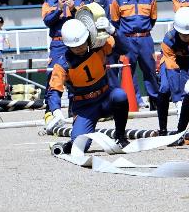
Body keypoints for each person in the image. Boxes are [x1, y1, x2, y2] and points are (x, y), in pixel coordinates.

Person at [46, 18, 129, 150]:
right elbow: (54, 89)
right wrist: (56, 110)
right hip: (84, 107)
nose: (79, 48)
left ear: (87, 38)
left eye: (82, 44)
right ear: (67, 45)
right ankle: (71, 142)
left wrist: (113, 31)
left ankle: (120, 136)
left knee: (120, 95)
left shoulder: (99, 46)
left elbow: (125, 48)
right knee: (79, 147)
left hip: (106, 97)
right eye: (75, 46)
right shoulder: (62, 64)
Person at [109, 0, 160, 110]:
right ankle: (133, 101)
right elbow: (115, 22)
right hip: (126, 40)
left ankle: (154, 101)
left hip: (145, 39)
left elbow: (153, 20)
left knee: (149, 70)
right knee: (127, 71)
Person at [41, 0, 80, 131]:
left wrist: (73, 8)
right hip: (57, 44)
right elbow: (47, 22)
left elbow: (84, 19)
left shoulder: (77, 1)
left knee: (75, 77)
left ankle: (75, 112)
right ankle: (51, 112)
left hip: (75, 43)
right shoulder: (48, 3)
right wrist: (58, 9)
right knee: (53, 77)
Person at [156, 7, 189, 135]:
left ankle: (181, 128)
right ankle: (162, 129)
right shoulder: (168, 39)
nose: (187, 37)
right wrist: (177, 100)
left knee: (188, 90)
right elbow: (172, 69)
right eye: (183, 35)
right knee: (164, 88)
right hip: (171, 62)